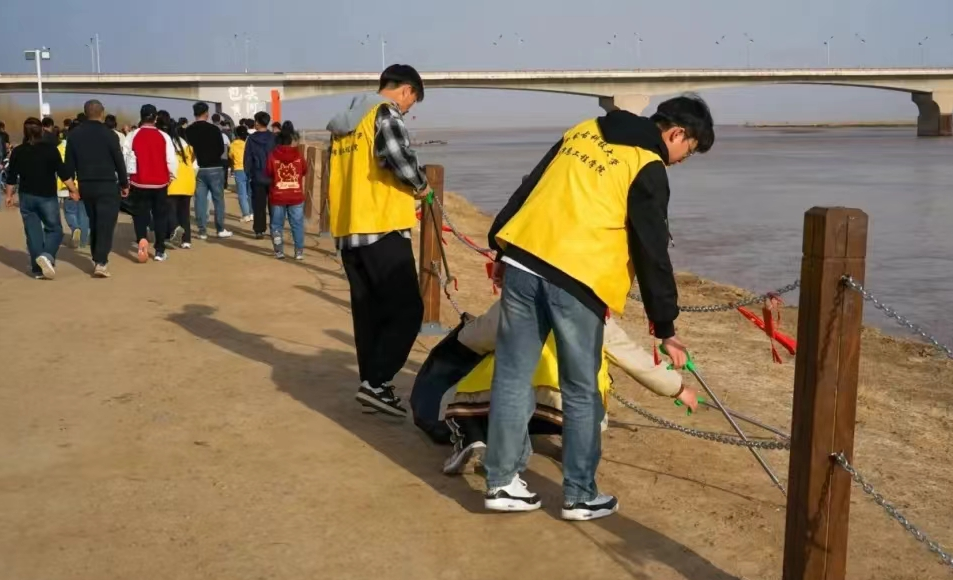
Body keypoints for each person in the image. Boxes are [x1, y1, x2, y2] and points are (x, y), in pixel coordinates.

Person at [483, 94, 715, 520]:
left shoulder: (583, 131)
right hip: (577, 278)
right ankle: (579, 494)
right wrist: (665, 327)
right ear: (677, 133)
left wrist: (501, 247)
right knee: (580, 389)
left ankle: (501, 483)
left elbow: (530, 186)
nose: (683, 159)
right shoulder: (647, 163)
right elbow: (652, 250)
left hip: (523, 259)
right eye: (689, 150)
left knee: (513, 377)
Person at [409, 302, 696, 475]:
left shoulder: (519, 298)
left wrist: (464, 335)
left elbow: (475, 338)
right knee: (584, 392)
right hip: (568, 405)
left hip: (504, 395)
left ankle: (472, 440)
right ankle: (575, 449)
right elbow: (638, 361)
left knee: (469, 394)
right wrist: (678, 389)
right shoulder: (596, 314)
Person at [325, 64, 430, 416]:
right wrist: (421, 185)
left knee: (369, 312)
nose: (408, 109)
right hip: (382, 225)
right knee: (408, 310)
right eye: (412, 102)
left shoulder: (345, 124)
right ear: (406, 90)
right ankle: (377, 381)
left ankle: (374, 386)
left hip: (348, 228)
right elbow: (397, 158)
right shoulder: (385, 112)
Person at [3, 117, 77, 279]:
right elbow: (63, 173)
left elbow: (11, 177)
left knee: (33, 232)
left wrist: (8, 195)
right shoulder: (51, 150)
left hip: (26, 196)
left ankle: (37, 269)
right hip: (47, 196)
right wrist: (73, 190)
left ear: (24, 132)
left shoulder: (18, 151)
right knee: (55, 229)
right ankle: (47, 256)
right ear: (42, 131)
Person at [63, 99, 129, 278]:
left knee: (94, 221)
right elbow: (119, 161)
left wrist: (72, 188)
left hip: (86, 185)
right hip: (107, 184)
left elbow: (68, 165)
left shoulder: (74, 135)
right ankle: (101, 261)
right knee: (105, 223)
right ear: (102, 112)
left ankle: (97, 257)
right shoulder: (110, 135)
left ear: (86, 113)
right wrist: (124, 183)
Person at [124, 103, 177, 262]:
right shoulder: (164, 136)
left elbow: (126, 158)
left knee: (140, 214)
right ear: (155, 118)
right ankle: (160, 250)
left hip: (139, 182)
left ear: (141, 117)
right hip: (160, 183)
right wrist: (171, 176)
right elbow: (171, 160)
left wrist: (127, 179)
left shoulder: (132, 135)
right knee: (160, 216)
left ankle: (142, 239)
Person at [186, 102, 231, 239]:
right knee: (218, 200)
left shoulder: (189, 130)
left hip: (198, 168)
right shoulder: (214, 129)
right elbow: (221, 149)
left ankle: (202, 231)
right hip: (215, 167)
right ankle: (220, 229)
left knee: (200, 200)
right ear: (206, 113)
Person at [265, 121, 307, 260]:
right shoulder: (299, 155)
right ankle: (299, 252)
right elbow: (304, 170)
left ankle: (279, 251)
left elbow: (268, 172)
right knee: (297, 225)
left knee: (277, 225)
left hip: (278, 195)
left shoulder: (272, 155)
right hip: (296, 196)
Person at [243, 111, 275, 239]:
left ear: (257, 122)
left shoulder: (251, 139)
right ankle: (275, 229)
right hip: (272, 177)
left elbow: (247, 158)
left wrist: (248, 174)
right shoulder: (274, 138)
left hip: (257, 175)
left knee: (258, 205)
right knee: (274, 205)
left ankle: (259, 230)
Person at [166, 121, 196, 250]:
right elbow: (195, 166)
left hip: (173, 183)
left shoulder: (169, 146)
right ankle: (186, 240)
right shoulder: (190, 148)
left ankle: (174, 229)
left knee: (170, 210)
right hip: (188, 183)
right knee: (185, 213)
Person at [57, 132, 90, 249]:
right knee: (84, 214)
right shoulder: (84, 147)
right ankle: (84, 241)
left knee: (70, 211)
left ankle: (75, 227)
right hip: (82, 184)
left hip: (65, 185)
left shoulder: (58, 148)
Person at [229, 126, 252, 222]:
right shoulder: (248, 143)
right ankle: (252, 213)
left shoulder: (233, 144)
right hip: (249, 169)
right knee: (250, 192)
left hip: (238, 170)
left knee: (242, 194)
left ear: (236, 135)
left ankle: (246, 215)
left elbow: (231, 156)